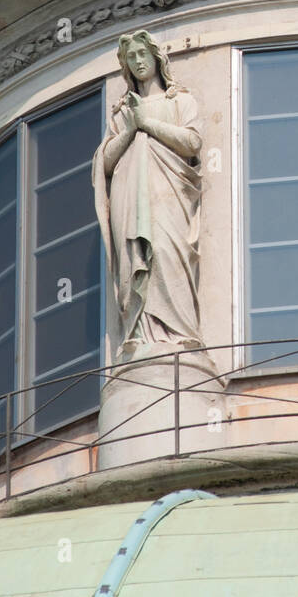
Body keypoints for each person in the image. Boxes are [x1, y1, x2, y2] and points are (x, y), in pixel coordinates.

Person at [93, 30, 203, 360]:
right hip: (129, 193)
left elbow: (193, 142)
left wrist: (148, 124)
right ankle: (140, 334)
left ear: (157, 58)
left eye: (143, 54)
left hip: (167, 194)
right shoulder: (121, 113)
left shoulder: (179, 101)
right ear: (126, 66)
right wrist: (131, 127)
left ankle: (179, 332)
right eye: (132, 57)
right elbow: (107, 161)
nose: (139, 61)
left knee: (168, 252)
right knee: (133, 260)